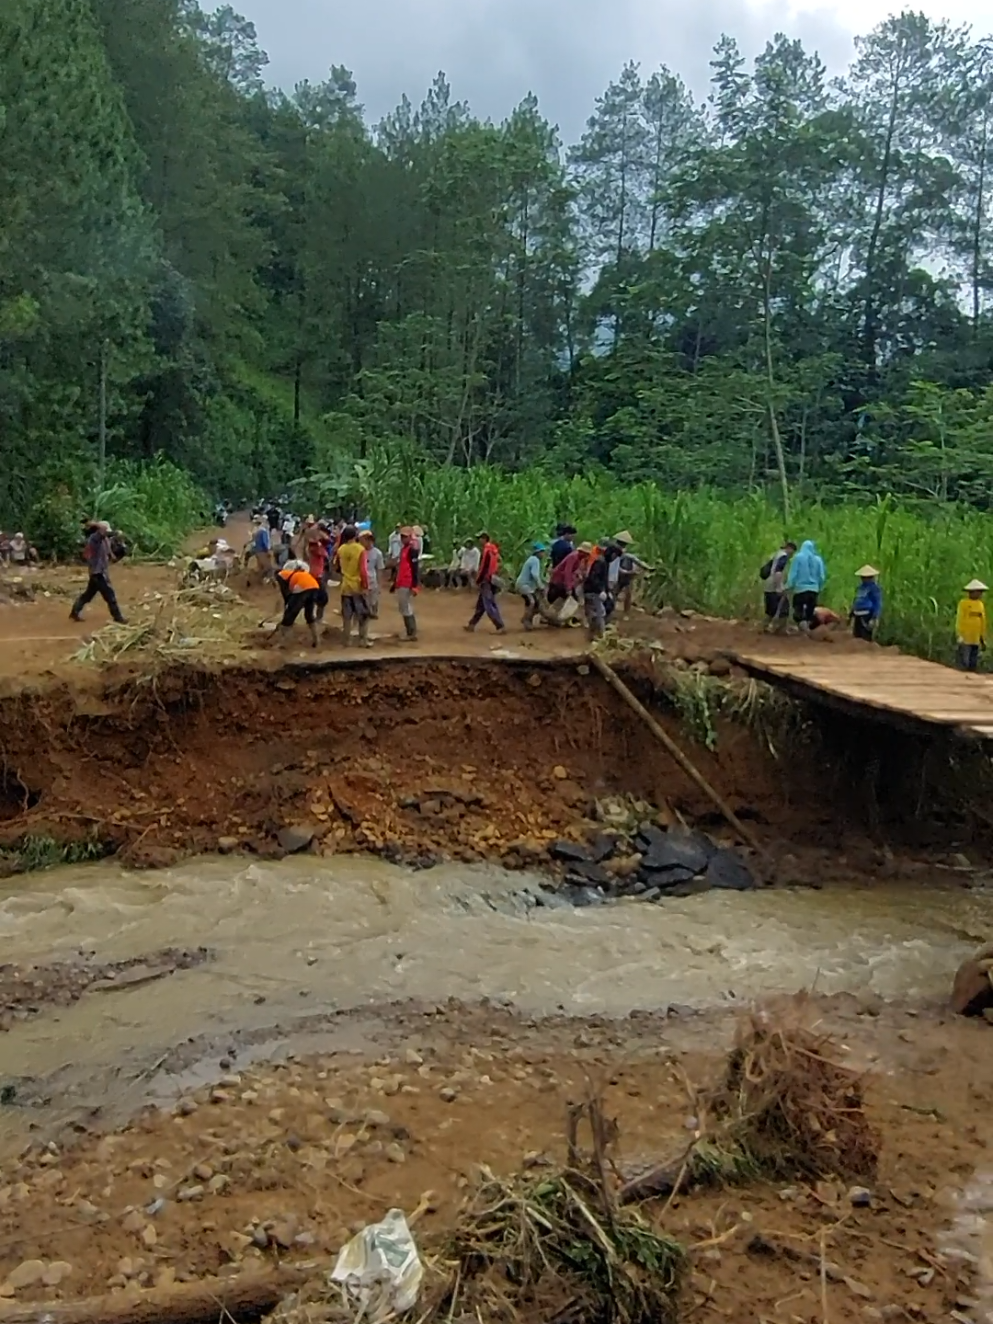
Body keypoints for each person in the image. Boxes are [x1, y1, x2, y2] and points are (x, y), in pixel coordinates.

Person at [70, 521, 126, 624]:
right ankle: (118, 617)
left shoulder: (105, 541)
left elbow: (110, 555)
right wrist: (96, 524)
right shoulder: (94, 538)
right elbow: (102, 531)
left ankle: (75, 611)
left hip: (99, 572)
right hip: (98, 573)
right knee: (110, 596)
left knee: (88, 595)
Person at [334, 525, 372, 648]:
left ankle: (346, 640)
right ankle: (362, 640)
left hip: (345, 585)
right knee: (363, 615)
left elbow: (336, 567)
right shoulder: (360, 549)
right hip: (357, 586)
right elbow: (363, 570)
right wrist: (365, 586)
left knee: (347, 615)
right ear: (355, 536)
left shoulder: (341, 549)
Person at [272, 559, 321, 648]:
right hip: (314, 586)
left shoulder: (281, 576)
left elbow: (286, 595)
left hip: (302, 588)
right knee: (309, 615)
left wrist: (286, 614)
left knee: (289, 617)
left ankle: (282, 643)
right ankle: (317, 641)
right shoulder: (297, 574)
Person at [466, 531, 505, 634]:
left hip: (486, 580)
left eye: (480, 538)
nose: (479, 541)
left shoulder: (487, 550)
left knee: (488, 604)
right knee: (481, 604)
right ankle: (472, 624)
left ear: (484, 539)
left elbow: (484, 567)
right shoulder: (494, 550)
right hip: (492, 578)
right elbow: (499, 562)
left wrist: (478, 580)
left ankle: (499, 626)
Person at [786, 539, 826, 631]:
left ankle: (803, 629)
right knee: (809, 612)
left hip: (800, 590)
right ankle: (807, 627)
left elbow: (793, 574)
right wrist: (819, 587)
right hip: (814, 590)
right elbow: (821, 576)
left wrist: (788, 585)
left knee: (798, 611)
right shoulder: (818, 559)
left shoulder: (798, 557)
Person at [583, 542, 619, 639]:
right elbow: (594, 578)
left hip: (596, 590)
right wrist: (600, 590)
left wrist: (607, 591)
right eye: (614, 556)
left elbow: (604, 580)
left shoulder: (605, 562)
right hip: (592, 591)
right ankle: (601, 636)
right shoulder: (600, 562)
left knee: (604, 609)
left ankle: (593, 634)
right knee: (600, 612)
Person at [759, 540, 797, 631]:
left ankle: (764, 627)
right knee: (784, 609)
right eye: (792, 551)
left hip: (768, 585)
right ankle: (779, 629)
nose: (792, 554)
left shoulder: (776, 554)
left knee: (771, 610)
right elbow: (778, 572)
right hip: (774, 586)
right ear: (789, 548)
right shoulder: (783, 556)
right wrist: (779, 587)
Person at [392, 526, 420, 641]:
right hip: (402, 580)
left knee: (405, 606)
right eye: (402, 536)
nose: (403, 538)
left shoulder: (412, 550)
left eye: (405, 536)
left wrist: (415, 585)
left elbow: (415, 568)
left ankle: (411, 632)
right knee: (403, 606)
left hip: (407, 581)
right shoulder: (404, 549)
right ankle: (410, 631)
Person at [957, 579, 988, 671]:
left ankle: (971, 674)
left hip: (976, 637)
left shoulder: (980, 605)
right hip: (966, 636)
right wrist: (959, 634)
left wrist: (982, 638)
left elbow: (983, 621)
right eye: (978, 592)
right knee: (965, 659)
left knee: (973, 660)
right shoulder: (964, 603)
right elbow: (960, 619)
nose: (980, 594)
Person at [516, 543, 547, 630]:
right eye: (542, 552)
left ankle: (527, 620)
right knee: (532, 602)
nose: (543, 554)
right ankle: (526, 619)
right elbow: (535, 575)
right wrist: (540, 586)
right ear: (538, 552)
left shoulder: (533, 559)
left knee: (534, 604)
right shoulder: (535, 560)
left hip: (524, 585)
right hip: (524, 585)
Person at [850, 566, 883, 641]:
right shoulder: (860, 588)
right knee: (857, 636)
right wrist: (852, 612)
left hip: (867, 614)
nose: (863, 579)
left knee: (865, 636)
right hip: (857, 613)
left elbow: (877, 602)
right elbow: (856, 600)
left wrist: (875, 617)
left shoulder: (874, 588)